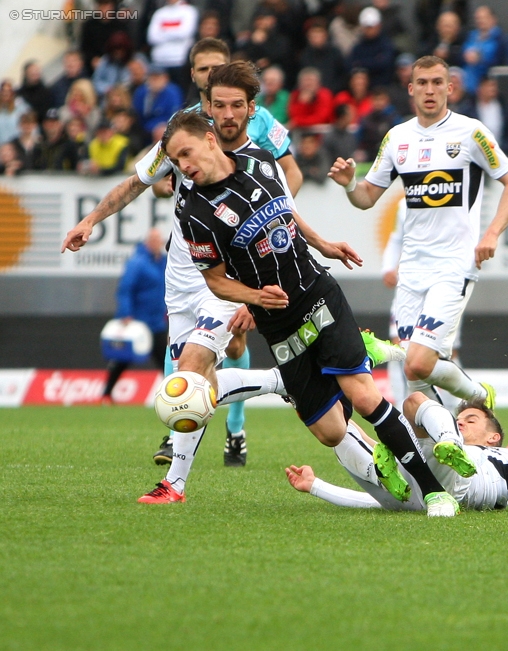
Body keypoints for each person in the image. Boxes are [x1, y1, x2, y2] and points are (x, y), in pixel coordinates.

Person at [166, 111, 463, 517]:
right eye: (175, 160)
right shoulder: (194, 213)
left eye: (186, 153)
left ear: (210, 139)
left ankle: (433, 493)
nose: (183, 165)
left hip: (316, 293)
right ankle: (361, 356)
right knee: (330, 432)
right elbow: (215, 281)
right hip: (278, 322)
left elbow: (286, 214)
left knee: (363, 395)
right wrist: (253, 296)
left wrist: (321, 243)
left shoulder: (262, 162)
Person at [61, 40, 302, 472]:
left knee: (192, 370)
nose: (210, 75)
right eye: (202, 69)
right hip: (183, 275)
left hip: (227, 272)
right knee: (187, 380)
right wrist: (92, 219)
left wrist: (267, 230)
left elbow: (286, 181)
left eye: (217, 68)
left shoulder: (259, 127)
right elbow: (139, 181)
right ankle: (279, 381)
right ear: (194, 76)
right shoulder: (181, 129)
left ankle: (191, 460)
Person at [330, 55, 508, 410]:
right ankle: (443, 441)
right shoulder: (397, 138)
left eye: (438, 82)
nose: (430, 90)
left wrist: (492, 233)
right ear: (411, 89)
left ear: (450, 88)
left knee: (418, 362)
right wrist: (348, 184)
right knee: (413, 373)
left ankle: (480, 398)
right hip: (412, 270)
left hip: (454, 265)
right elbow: (366, 198)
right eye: (423, 83)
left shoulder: (471, 132)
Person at [286, 393, 508, 515]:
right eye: (459, 418)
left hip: (455, 487)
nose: (465, 421)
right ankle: (293, 388)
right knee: (332, 428)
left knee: (415, 401)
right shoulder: (479, 443)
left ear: (493, 436)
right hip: (411, 496)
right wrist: (315, 485)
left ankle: (438, 445)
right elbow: (376, 504)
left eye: (472, 419)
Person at [102, 229, 168, 403]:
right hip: (138, 322)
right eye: (154, 240)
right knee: (122, 359)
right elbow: (125, 290)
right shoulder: (137, 263)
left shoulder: (163, 262)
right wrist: (125, 313)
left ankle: (171, 397)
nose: (157, 243)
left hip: (157, 322)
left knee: (165, 360)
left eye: (159, 240)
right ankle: (106, 395)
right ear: (147, 242)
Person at [349, 7, 397, 88]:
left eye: (371, 26)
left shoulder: (386, 44)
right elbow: (351, 65)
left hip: (384, 87)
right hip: (364, 90)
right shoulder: (358, 46)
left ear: (379, 25)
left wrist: (361, 63)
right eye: (367, 27)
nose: (369, 30)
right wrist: (375, 61)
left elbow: (385, 63)